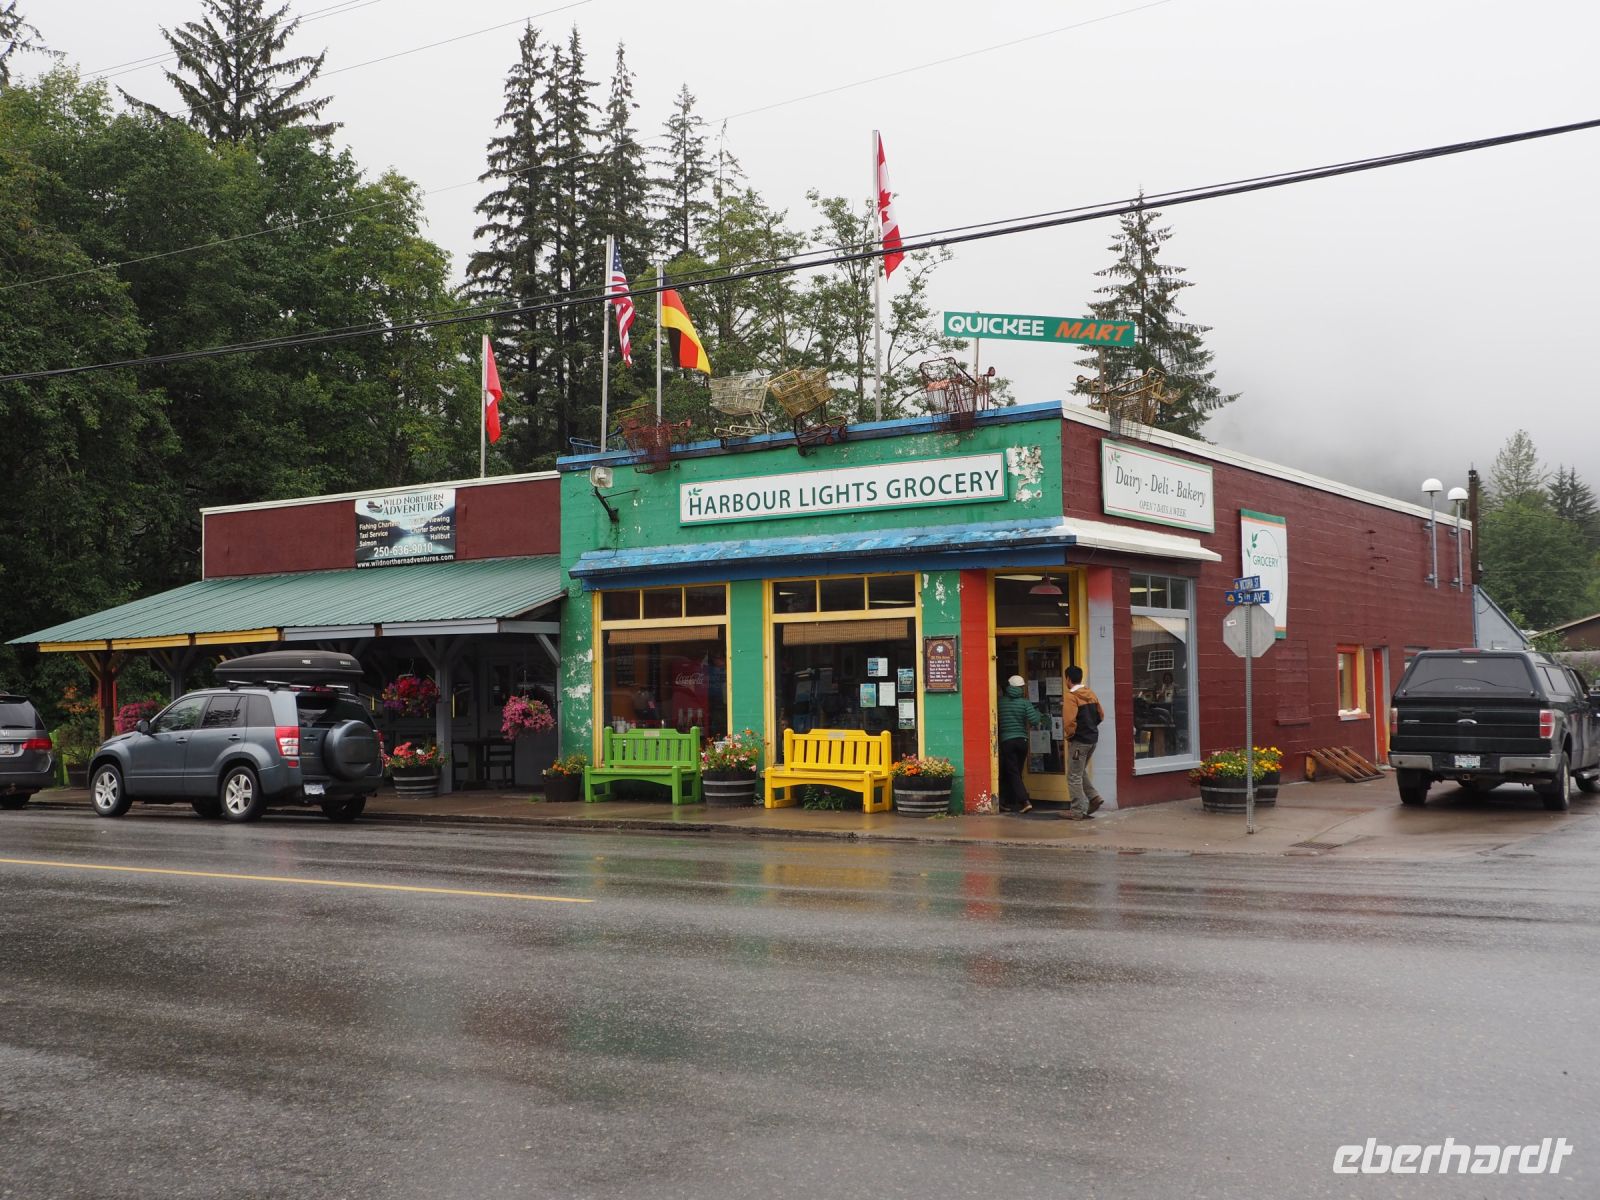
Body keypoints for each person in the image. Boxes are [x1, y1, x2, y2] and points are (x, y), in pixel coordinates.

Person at [997, 674, 1048, 813]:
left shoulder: (1000, 702)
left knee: (1012, 772)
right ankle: (1007, 801)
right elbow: (1034, 720)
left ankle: (1024, 801)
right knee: (1014, 772)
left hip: (1007, 741)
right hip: (1022, 741)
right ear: (1021, 688)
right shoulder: (1025, 703)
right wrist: (1038, 713)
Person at [1062, 664, 1105, 820]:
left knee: (1073, 775)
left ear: (1068, 678)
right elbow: (1101, 715)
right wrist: (1090, 727)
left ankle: (1077, 810)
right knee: (1079, 771)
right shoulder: (1090, 693)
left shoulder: (1070, 696)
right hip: (1092, 739)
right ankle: (1094, 797)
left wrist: (1070, 736)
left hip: (1079, 741)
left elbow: (1069, 721)